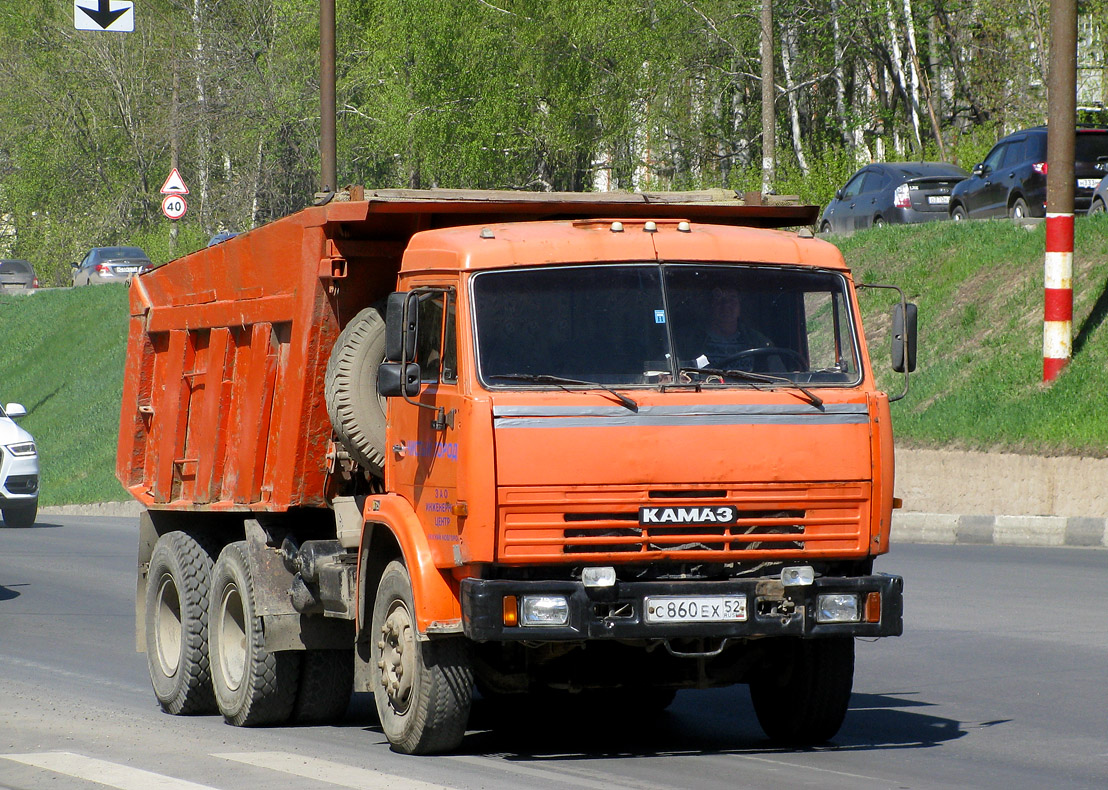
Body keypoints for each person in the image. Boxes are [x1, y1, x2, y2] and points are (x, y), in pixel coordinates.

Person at [696, 286, 772, 369]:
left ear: (740, 306)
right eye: (719, 299)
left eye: (732, 298)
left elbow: (779, 375)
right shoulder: (691, 341)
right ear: (710, 305)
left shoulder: (759, 342)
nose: (726, 305)